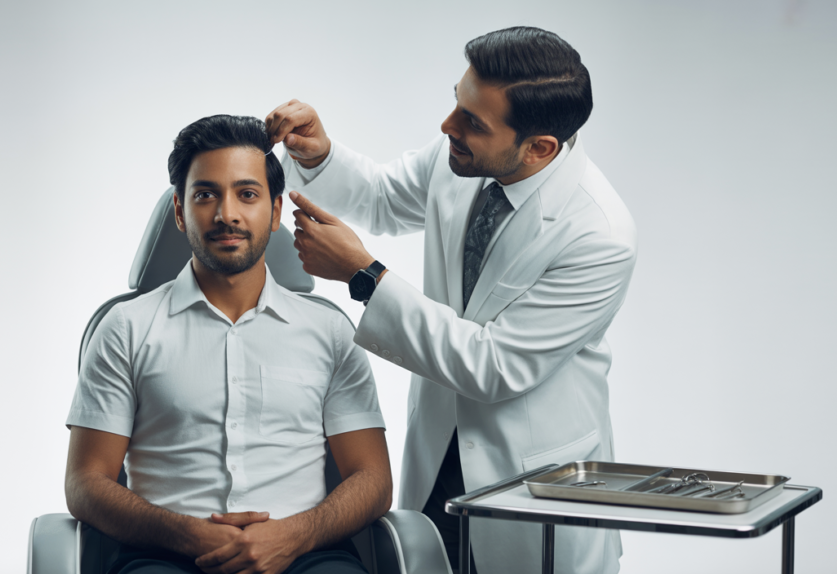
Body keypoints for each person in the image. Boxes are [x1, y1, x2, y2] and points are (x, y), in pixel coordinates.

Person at [268, 27, 635, 574]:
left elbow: (494, 365)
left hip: (531, 479)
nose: (447, 127)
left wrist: (364, 276)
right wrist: (320, 157)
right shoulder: (465, 156)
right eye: (456, 101)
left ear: (540, 148)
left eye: (472, 122)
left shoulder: (598, 235)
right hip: (439, 454)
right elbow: (386, 198)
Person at [64, 114, 392, 574]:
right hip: (165, 556)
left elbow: (373, 480)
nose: (227, 215)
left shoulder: (331, 330)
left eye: (247, 194)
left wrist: (295, 535)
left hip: (304, 555)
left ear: (276, 212)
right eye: (205, 195)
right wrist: (187, 533)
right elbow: (85, 483)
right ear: (180, 211)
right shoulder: (125, 327)